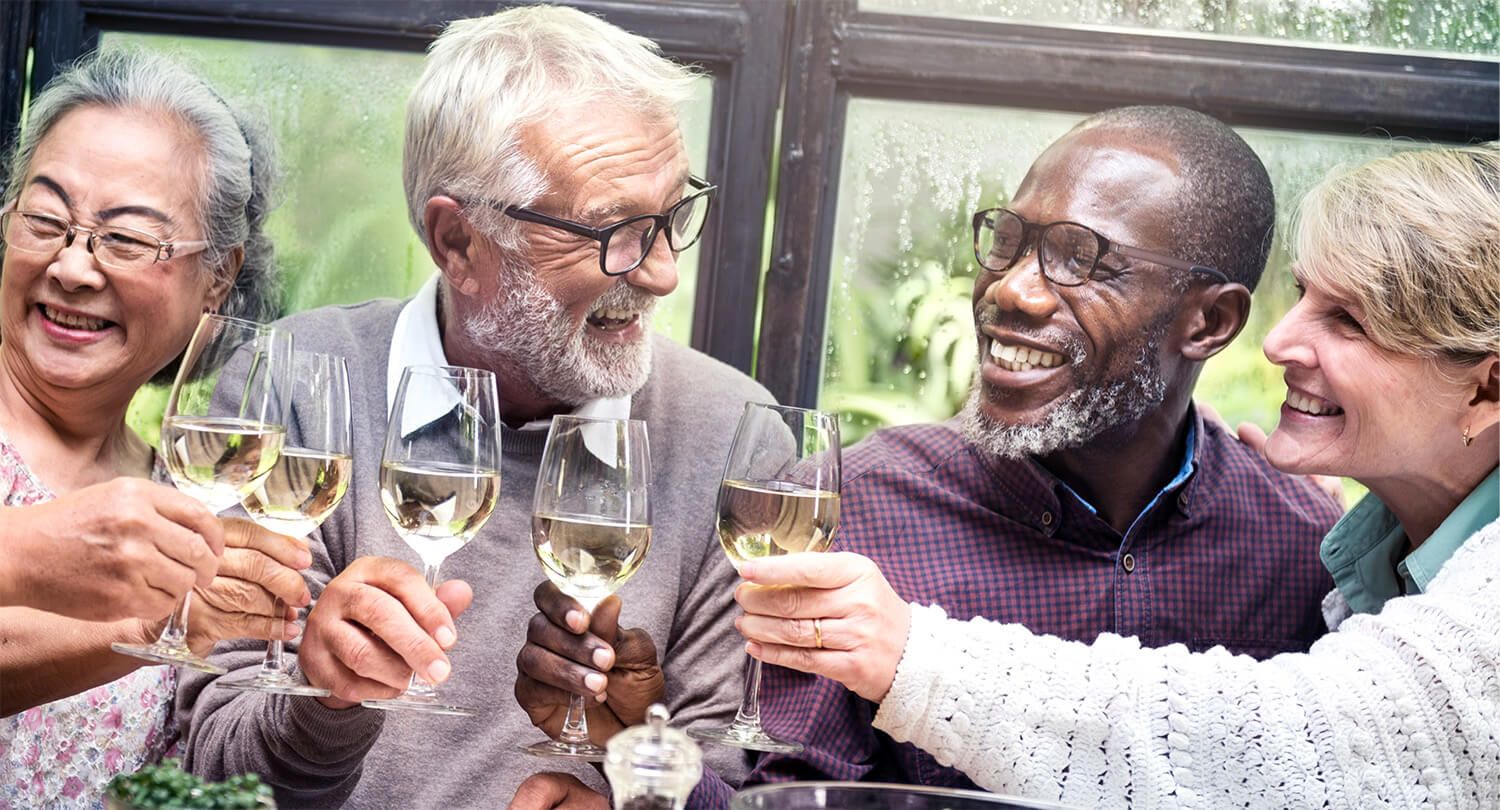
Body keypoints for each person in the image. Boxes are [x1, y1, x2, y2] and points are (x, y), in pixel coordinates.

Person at [510, 105, 1345, 807]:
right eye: (1010, 242)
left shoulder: (1304, 543)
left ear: (1209, 323)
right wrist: (631, 753)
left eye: (1084, 261)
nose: (1012, 290)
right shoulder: (854, 511)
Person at [735, 142, 1500, 806]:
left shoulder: (1303, 541)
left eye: (1350, 321)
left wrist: (910, 655)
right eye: (1303, 296)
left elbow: (1288, 746)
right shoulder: (1353, 552)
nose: (1279, 342)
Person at [179, 6, 769, 807]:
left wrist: (637, 763)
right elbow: (204, 772)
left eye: (671, 217)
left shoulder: (736, 438)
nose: (663, 272)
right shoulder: (291, 386)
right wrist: (329, 698)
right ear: (457, 242)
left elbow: (747, 787)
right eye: (614, 231)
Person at [0, 49, 312, 806]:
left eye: (129, 239)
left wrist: (327, 680)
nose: (73, 268)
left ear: (218, 277)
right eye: (44, 220)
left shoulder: (189, 505)